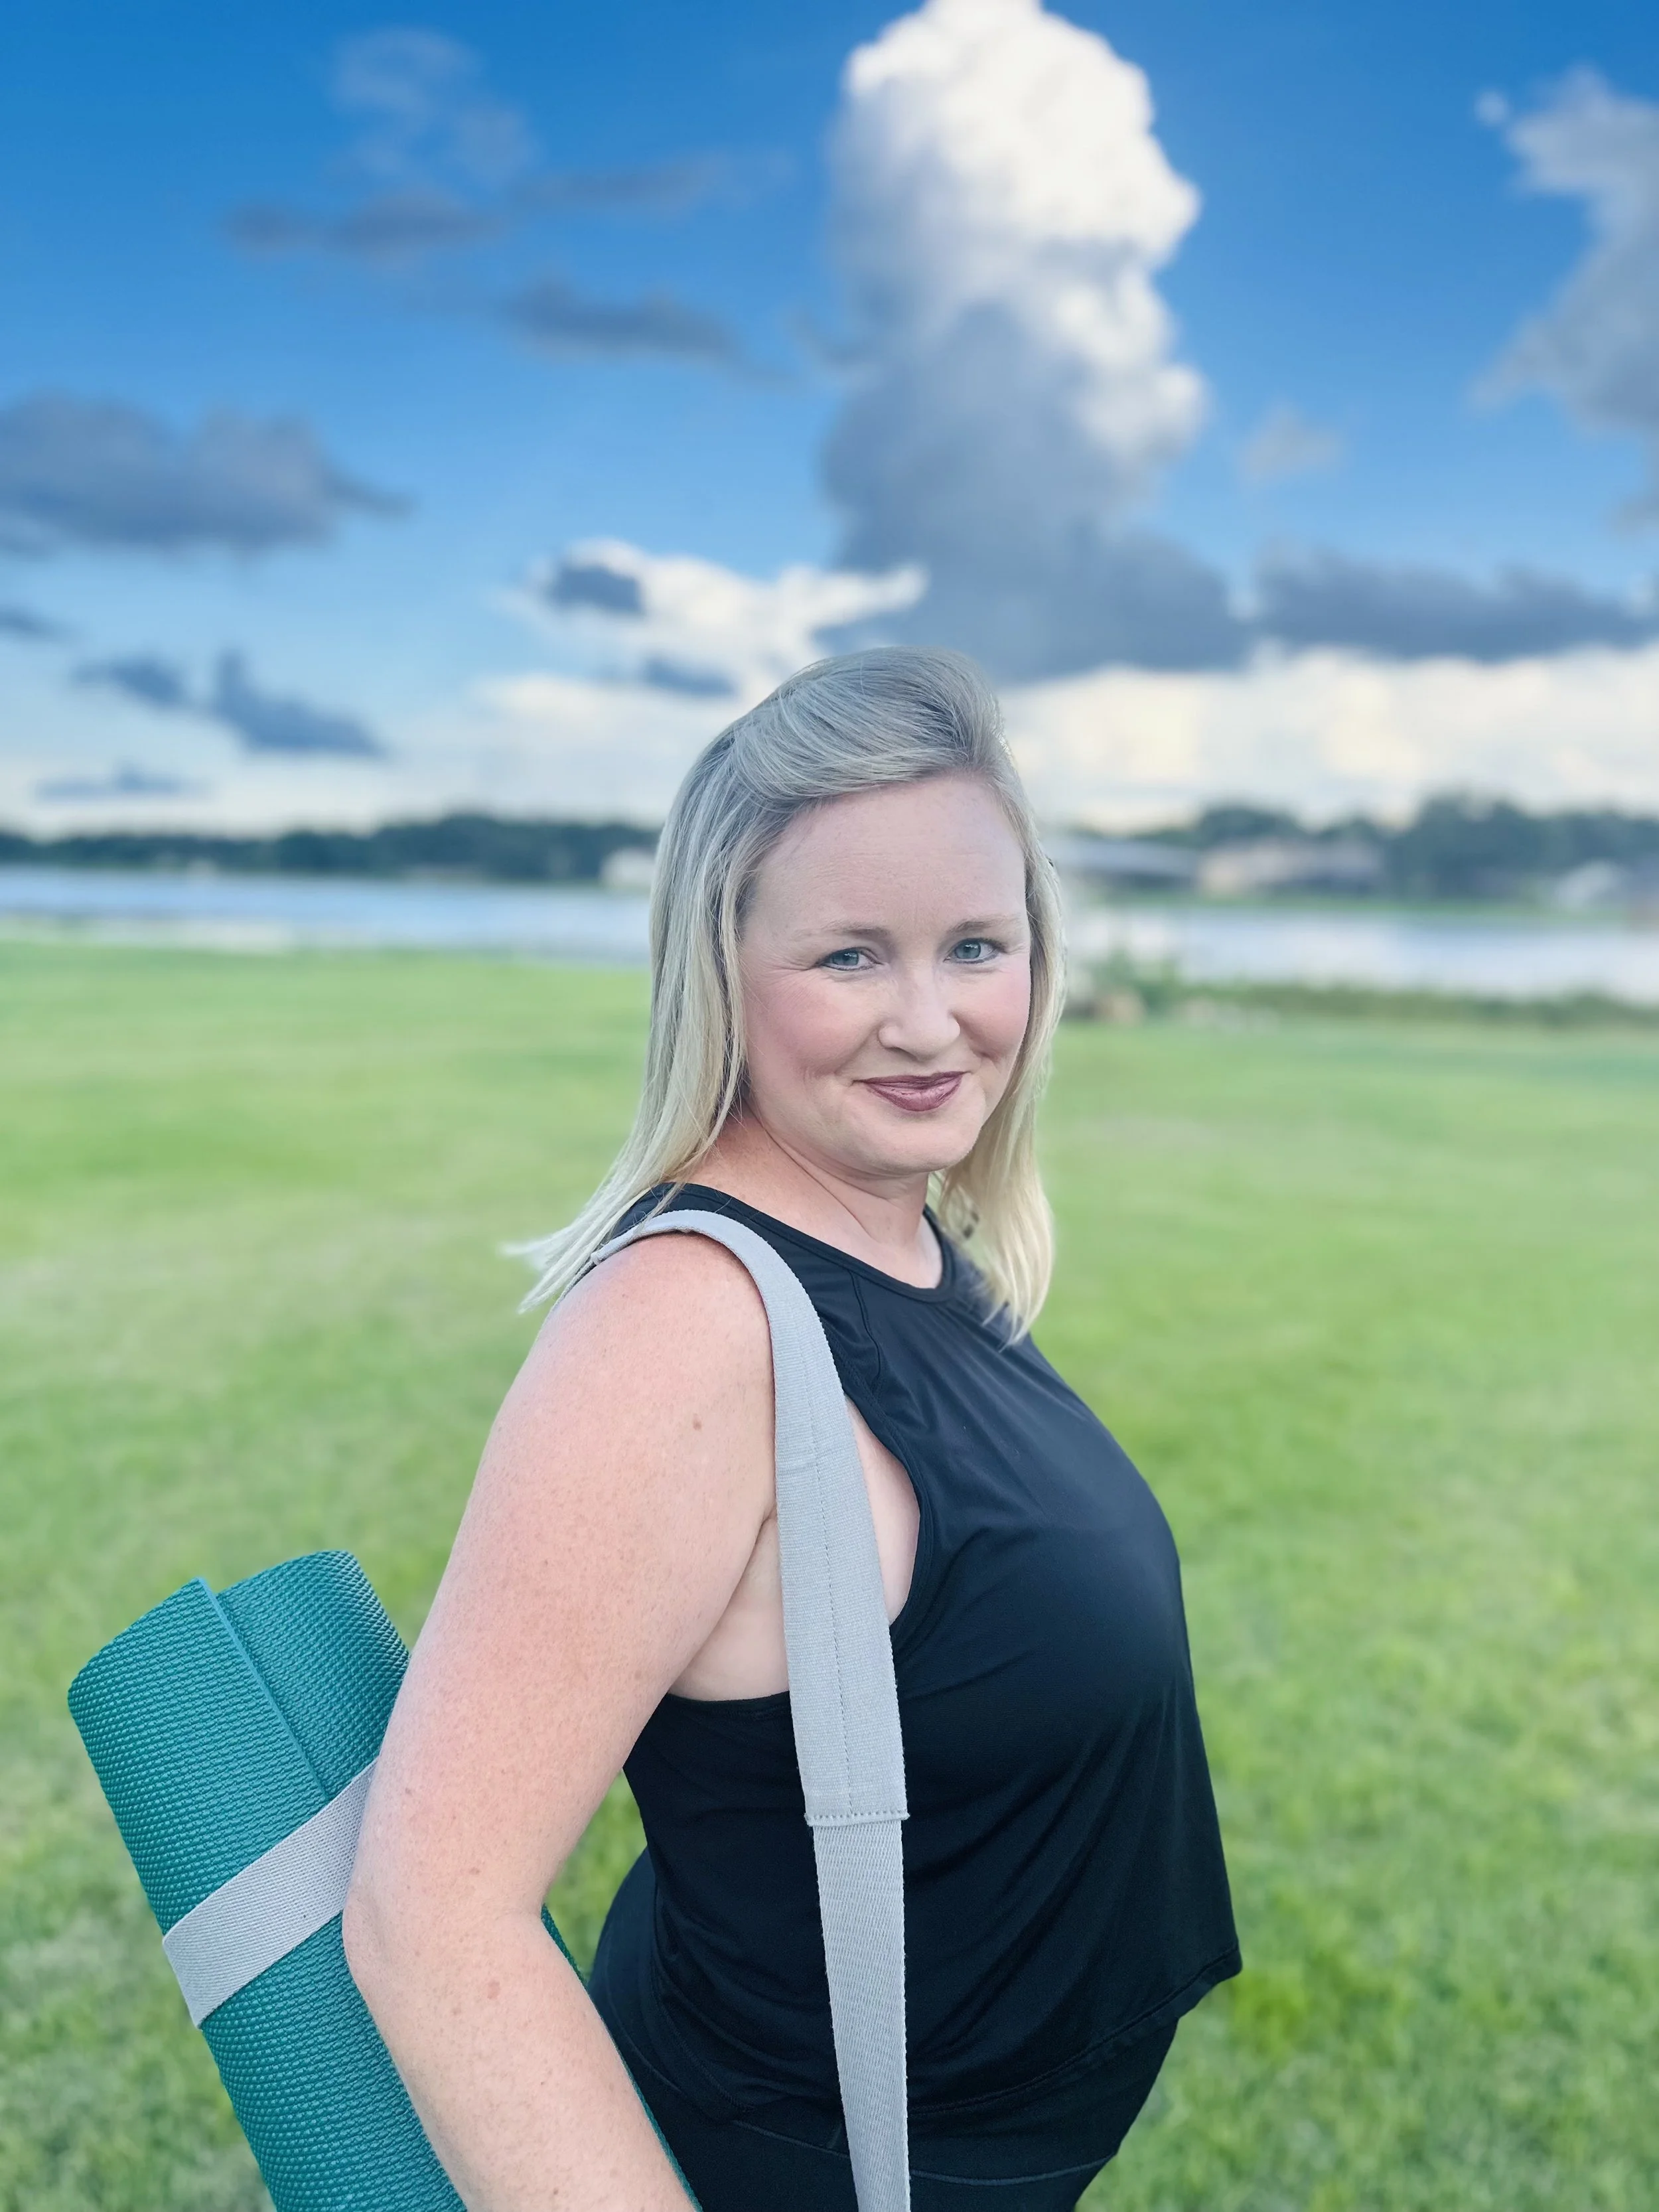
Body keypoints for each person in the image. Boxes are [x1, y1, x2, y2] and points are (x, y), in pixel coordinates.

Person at [343, 647, 1240, 2211]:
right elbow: (431, 1919)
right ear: (721, 969)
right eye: (846, 958)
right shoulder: (683, 1331)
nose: (928, 1020)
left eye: (976, 945)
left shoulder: (903, 1244)